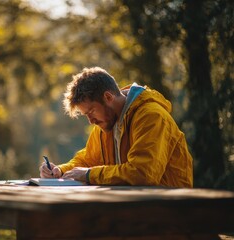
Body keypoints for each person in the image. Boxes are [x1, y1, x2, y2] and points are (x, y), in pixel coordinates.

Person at [40, 67, 193, 187]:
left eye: (91, 111)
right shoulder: (106, 123)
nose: (91, 121)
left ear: (108, 97)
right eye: (86, 114)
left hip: (170, 212)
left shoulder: (151, 116)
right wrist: (60, 171)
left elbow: (142, 173)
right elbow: (88, 160)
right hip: (136, 209)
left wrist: (89, 175)